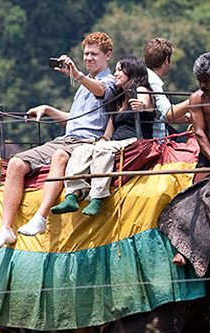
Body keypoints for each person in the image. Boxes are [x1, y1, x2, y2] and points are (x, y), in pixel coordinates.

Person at [0, 32, 116, 251]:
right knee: (17, 163)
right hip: (66, 138)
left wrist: (78, 76)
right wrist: (47, 109)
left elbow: (102, 92)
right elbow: (73, 120)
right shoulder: (84, 84)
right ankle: (6, 228)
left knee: (59, 156)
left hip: (86, 142)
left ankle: (40, 217)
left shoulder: (108, 82)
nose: (88, 58)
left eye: (94, 54)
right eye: (86, 54)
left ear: (108, 56)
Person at [49, 56, 155, 217]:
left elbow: (146, 104)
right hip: (116, 141)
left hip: (134, 140)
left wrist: (142, 106)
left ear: (131, 72)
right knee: (82, 150)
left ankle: (97, 196)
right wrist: (101, 140)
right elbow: (108, 132)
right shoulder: (118, 100)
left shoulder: (140, 89)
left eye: (120, 70)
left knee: (103, 150)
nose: (115, 74)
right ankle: (73, 193)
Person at [143, 38, 174, 139]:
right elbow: (167, 113)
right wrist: (192, 102)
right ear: (166, 60)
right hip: (158, 143)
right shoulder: (153, 82)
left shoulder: (145, 76)